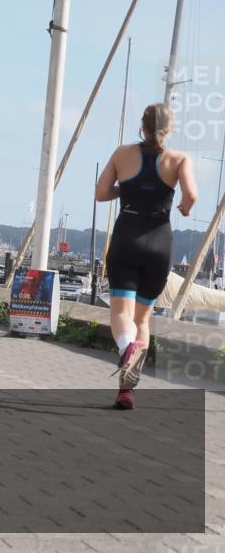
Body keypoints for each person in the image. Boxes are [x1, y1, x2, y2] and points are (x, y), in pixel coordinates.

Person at [96, 103, 197, 410]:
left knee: (121, 314)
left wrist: (126, 190)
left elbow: (101, 193)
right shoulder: (179, 159)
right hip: (159, 242)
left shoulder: (121, 154)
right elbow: (191, 195)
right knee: (142, 319)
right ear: (170, 128)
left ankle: (127, 348)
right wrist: (186, 208)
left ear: (143, 126)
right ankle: (127, 391)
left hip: (127, 237)